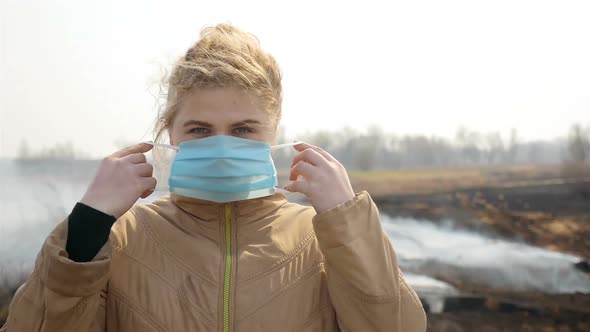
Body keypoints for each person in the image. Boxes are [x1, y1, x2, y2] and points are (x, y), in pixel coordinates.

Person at [1, 23, 426, 331]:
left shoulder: (321, 240)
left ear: (273, 132)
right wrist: (89, 221)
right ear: (171, 135)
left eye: (243, 130)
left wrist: (346, 220)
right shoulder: (122, 239)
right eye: (200, 130)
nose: (222, 148)